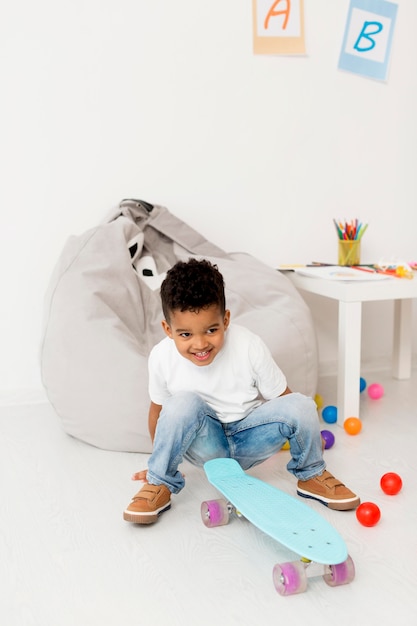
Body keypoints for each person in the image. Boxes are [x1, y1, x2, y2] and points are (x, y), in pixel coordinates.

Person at [123, 258, 360, 524]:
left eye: (211, 330)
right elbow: (158, 412)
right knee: (181, 404)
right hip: (205, 445)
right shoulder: (161, 357)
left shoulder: (249, 344)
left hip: (249, 440)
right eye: (186, 335)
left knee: (301, 404)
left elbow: (284, 400)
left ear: (225, 320)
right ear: (168, 330)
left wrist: (302, 438)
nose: (200, 344)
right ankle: (160, 484)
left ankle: (311, 475)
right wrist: (158, 464)